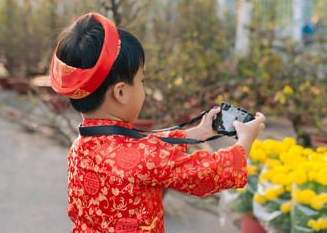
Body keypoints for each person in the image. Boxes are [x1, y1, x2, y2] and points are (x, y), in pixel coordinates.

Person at [50, 13, 266, 233]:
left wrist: (197, 132)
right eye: (141, 80)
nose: (142, 87)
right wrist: (245, 141)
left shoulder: (79, 148)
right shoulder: (144, 158)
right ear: (121, 92)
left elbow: (138, 148)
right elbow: (208, 174)